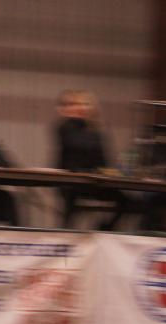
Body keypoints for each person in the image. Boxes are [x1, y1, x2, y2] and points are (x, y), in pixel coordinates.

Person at [54, 89, 129, 231]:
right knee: (72, 203)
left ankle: (104, 229)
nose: (79, 108)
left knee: (126, 201)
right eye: (73, 104)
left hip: (93, 180)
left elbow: (103, 158)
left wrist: (109, 172)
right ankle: (65, 233)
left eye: (84, 104)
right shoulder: (64, 126)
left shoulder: (96, 130)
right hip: (71, 180)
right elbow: (76, 144)